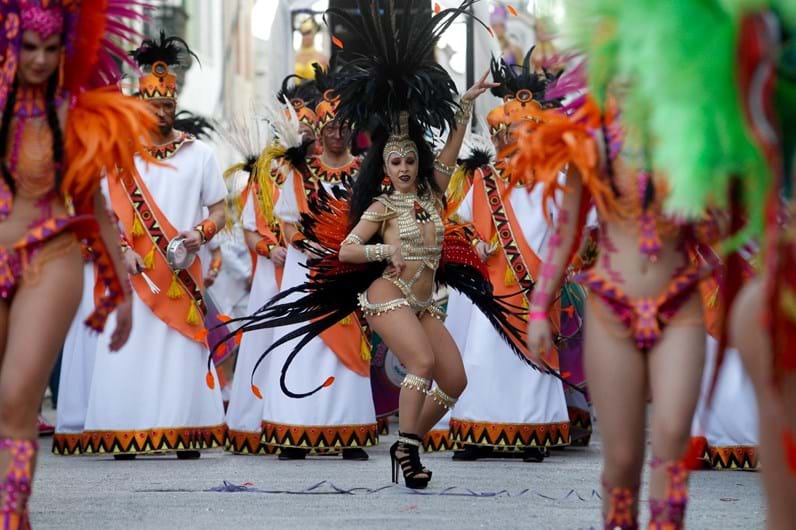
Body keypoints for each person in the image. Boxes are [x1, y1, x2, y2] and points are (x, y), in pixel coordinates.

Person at [0, 0, 154, 524]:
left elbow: (98, 210)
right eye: (29, 48)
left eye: (49, 48)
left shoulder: (74, 116)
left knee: (18, 396)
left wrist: (122, 292)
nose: (40, 60)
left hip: (52, 259)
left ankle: (9, 513)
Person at [81, 32, 227, 459]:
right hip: (132, 270)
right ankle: (125, 432)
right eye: (154, 106)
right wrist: (121, 248)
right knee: (131, 349)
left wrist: (201, 234)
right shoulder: (117, 154)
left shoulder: (198, 154)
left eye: (168, 106)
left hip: (181, 271)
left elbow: (219, 209)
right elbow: (104, 212)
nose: (162, 113)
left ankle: (186, 432)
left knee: (181, 350)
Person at [449, 55, 570, 463]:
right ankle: (475, 432)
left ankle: (533, 432)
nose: (510, 141)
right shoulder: (484, 178)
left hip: (536, 282)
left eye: (520, 132)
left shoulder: (556, 178)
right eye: (505, 133)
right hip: (492, 284)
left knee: (531, 356)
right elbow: (461, 225)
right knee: (483, 355)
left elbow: (572, 230)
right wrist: (475, 245)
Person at [257, 67, 378, 461]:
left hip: (348, 269)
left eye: (344, 126)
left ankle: (348, 431)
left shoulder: (364, 171)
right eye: (331, 126)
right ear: (321, 129)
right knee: (303, 347)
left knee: (347, 347)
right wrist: (310, 245)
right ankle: (296, 430)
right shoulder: (299, 168)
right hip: (306, 269)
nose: (338, 133)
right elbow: (287, 222)